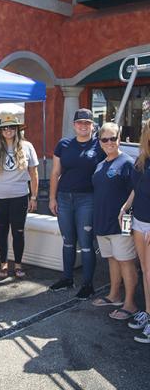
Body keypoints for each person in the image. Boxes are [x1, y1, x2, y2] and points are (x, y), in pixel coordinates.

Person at [49, 108, 105, 300]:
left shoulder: (100, 145)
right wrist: (52, 198)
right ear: (74, 125)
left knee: (87, 243)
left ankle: (87, 285)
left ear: (92, 125)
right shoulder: (63, 144)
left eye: (87, 123)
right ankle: (67, 278)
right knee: (68, 241)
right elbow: (55, 173)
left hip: (87, 199)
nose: (83, 126)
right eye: (80, 122)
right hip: (64, 198)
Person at [0, 115, 39, 278]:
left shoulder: (27, 147)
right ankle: (3, 265)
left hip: (20, 196)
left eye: (11, 127)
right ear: (0, 131)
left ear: (17, 130)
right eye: (5, 128)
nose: (8, 130)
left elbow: (34, 173)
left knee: (18, 231)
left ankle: (19, 265)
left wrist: (34, 197)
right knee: (1, 230)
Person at [91, 122, 138, 320]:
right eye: (105, 139)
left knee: (126, 262)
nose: (109, 142)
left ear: (120, 139)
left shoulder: (128, 162)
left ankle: (130, 304)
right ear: (100, 142)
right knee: (111, 259)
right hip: (102, 222)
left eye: (113, 138)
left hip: (122, 222)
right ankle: (114, 295)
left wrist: (125, 210)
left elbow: (137, 190)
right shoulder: (101, 164)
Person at [120, 119, 150, 344]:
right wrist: (125, 207)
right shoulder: (143, 158)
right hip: (138, 220)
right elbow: (136, 188)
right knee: (146, 272)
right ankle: (148, 314)